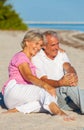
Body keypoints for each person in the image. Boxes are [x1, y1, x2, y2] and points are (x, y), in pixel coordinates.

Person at [2, 30, 74, 121]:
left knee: (46, 102)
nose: (38, 47)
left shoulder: (32, 57)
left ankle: (16, 110)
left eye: (40, 45)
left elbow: (45, 50)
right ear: (27, 42)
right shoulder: (21, 56)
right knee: (44, 92)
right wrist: (47, 86)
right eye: (36, 43)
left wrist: (57, 49)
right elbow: (28, 76)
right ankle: (61, 113)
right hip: (14, 90)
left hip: (17, 100)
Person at [32, 30, 84, 114]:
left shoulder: (60, 53)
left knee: (76, 90)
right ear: (44, 46)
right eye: (53, 45)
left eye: (58, 44)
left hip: (66, 98)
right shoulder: (37, 58)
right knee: (67, 86)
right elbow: (43, 81)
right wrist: (60, 83)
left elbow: (68, 66)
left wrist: (72, 75)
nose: (56, 47)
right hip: (52, 94)